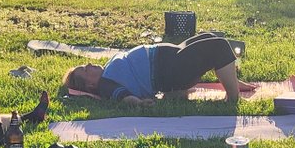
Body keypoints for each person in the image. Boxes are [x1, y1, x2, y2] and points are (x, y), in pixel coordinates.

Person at [62, 32, 250, 105]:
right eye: (84, 71)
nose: (88, 65)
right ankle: (232, 98)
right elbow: (122, 96)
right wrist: (139, 103)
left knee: (208, 36)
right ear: (91, 86)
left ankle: (231, 81)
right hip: (169, 70)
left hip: (171, 61)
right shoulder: (105, 84)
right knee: (219, 46)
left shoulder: (108, 71)